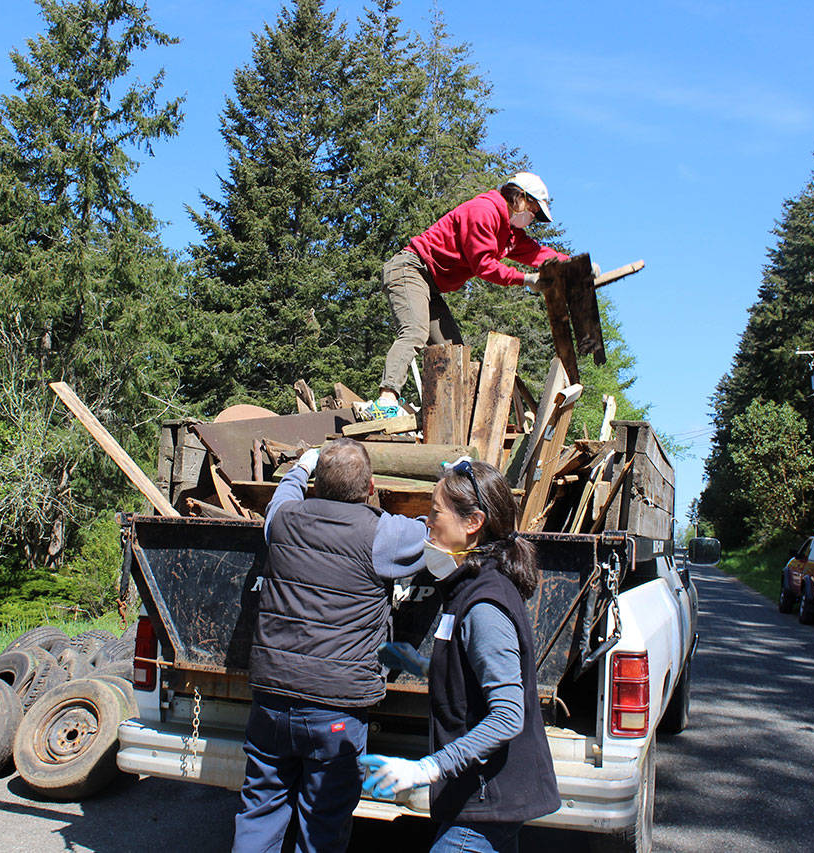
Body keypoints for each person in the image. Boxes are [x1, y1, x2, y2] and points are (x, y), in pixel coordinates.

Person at [232, 438, 429, 853]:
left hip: (271, 699)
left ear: (316, 485)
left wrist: (300, 467)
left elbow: (282, 496)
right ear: (371, 487)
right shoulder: (383, 533)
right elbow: (435, 535)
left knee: (258, 811)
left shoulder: (283, 519)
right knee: (321, 826)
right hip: (335, 709)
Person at [359, 458, 560, 853]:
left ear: (473, 523)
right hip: (481, 799)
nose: (426, 522)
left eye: (435, 512)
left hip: (486, 801)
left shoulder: (485, 603)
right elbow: (473, 674)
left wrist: (428, 767)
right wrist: (421, 665)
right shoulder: (466, 586)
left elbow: (507, 715)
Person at [358, 172, 579, 420]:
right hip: (410, 269)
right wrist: (525, 279)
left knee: (453, 351)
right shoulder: (483, 211)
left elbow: (537, 253)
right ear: (518, 197)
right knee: (415, 331)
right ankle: (385, 401)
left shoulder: (509, 233)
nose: (532, 218)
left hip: (429, 282)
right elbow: (483, 265)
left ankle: (441, 414)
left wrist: (572, 266)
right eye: (533, 210)